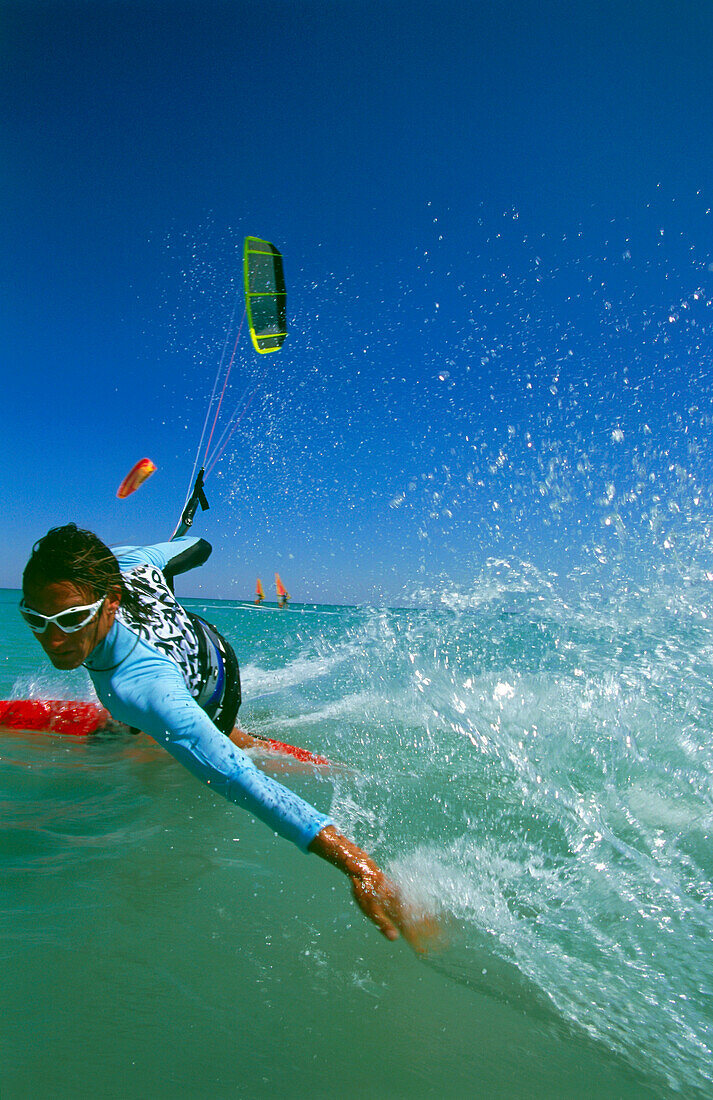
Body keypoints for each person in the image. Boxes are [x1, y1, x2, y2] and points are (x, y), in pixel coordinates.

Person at [20, 524, 435, 950]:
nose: (52, 639)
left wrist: (358, 866)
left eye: (71, 619)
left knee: (161, 760)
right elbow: (196, 547)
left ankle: (234, 735)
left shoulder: (141, 690)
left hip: (213, 691)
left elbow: (239, 780)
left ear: (111, 600)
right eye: (34, 617)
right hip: (205, 639)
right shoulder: (131, 561)